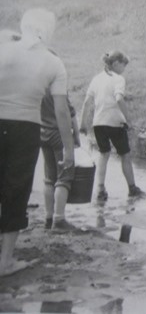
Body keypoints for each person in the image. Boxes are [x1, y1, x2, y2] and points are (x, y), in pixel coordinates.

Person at [0, 8, 74, 277]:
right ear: (48, 31)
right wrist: (68, 149)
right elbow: (62, 111)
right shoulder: (53, 62)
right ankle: (5, 261)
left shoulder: (4, 48)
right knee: (15, 188)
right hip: (25, 127)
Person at [79, 50, 143, 200]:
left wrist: (82, 124)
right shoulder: (118, 79)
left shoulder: (96, 79)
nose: (124, 69)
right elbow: (119, 99)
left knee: (104, 154)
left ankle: (100, 190)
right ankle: (132, 188)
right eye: (123, 65)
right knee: (125, 155)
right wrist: (128, 120)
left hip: (98, 123)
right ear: (115, 64)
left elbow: (87, 102)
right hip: (115, 123)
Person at [41, 89, 80, 231]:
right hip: (59, 133)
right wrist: (76, 134)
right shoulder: (57, 83)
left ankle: (48, 218)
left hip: (43, 132)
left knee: (49, 177)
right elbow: (68, 111)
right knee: (64, 176)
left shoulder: (40, 81)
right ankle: (59, 219)